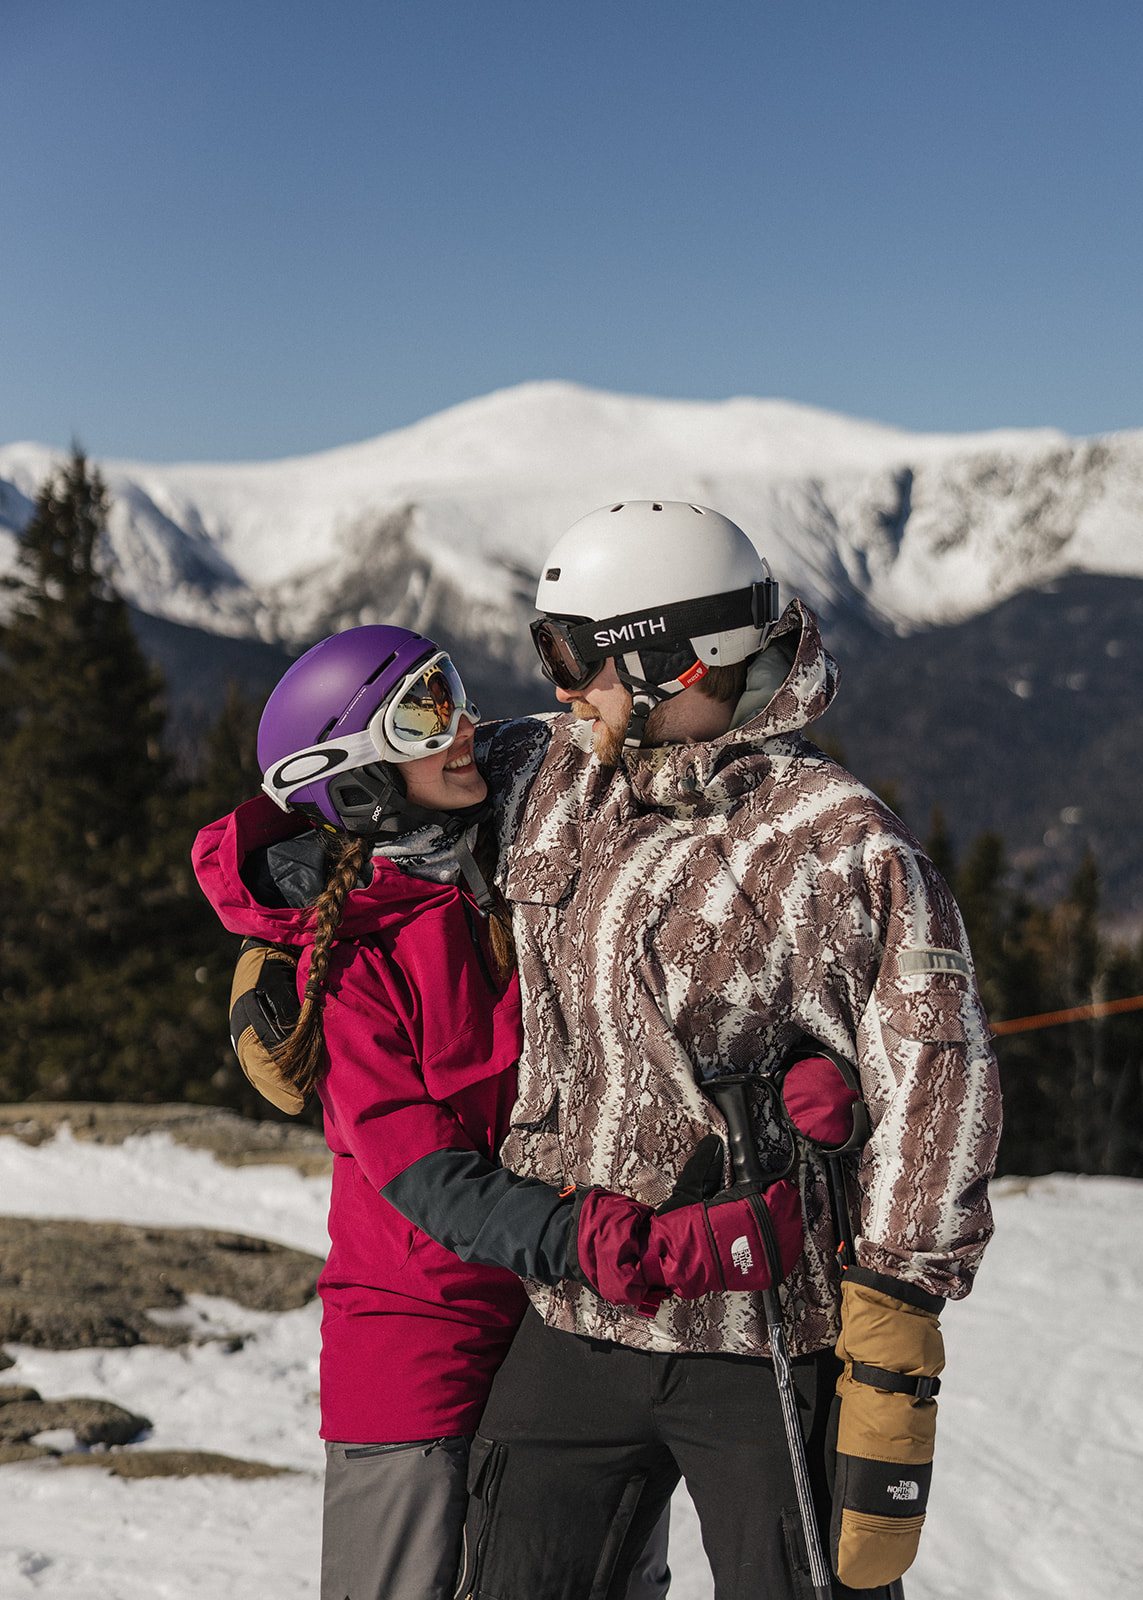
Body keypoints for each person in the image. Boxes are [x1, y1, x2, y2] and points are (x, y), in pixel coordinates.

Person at [193, 623, 813, 1600]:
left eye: (454, 690)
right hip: (421, 1336)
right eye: (426, 712)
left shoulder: (506, 853)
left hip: (553, 1320)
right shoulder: (351, 966)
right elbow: (429, 1179)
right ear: (353, 776)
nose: (463, 724)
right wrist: (620, 1242)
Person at [458, 500, 1003, 1600]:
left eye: (579, 656)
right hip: (578, 1307)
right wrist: (286, 927)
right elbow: (394, 811)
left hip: (764, 1332)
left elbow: (937, 1069)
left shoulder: (836, 839)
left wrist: (898, 1299)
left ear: (679, 658)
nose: (559, 686)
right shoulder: (543, 779)